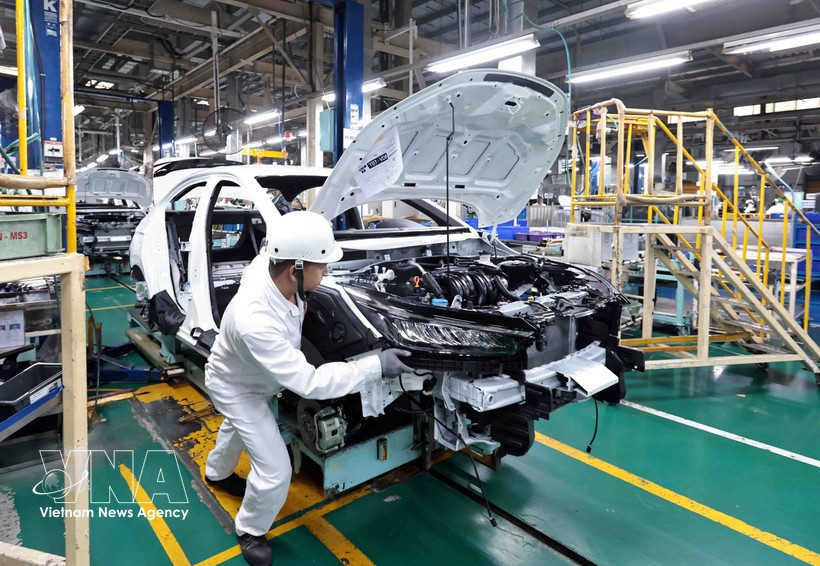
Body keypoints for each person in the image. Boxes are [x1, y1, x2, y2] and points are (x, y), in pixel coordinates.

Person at [203, 211, 411, 566]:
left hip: (256, 376)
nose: (327, 272)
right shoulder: (255, 320)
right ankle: (250, 529)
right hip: (236, 387)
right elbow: (310, 382)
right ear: (294, 270)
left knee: (235, 429)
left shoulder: (272, 267)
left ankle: (216, 473)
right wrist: (375, 365)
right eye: (322, 265)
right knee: (274, 469)